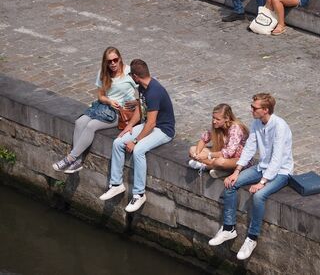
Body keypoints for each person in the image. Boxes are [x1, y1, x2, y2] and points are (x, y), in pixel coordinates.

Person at [208, 93, 293, 260]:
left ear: (265, 110)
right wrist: (237, 171)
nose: (251, 110)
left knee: (259, 196)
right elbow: (249, 149)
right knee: (231, 184)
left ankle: (252, 238)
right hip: (262, 167)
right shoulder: (256, 123)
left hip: (281, 171)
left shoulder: (280, 127)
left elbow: (277, 158)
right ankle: (229, 228)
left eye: (255, 108)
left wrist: (262, 182)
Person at [99, 59, 175, 213]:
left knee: (139, 150)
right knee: (118, 142)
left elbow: (152, 123)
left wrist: (134, 140)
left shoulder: (154, 91)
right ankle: (116, 184)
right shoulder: (142, 87)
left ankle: (139, 194)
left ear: (135, 76)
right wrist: (129, 127)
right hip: (150, 125)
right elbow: (141, 110)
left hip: (163, 130)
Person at [52, 47, 138, 174]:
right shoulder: (103, 73)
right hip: (104, 107)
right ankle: (78, 161)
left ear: (120, 59)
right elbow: (100, 96)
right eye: (109, 61)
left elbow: (145, 91)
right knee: (80, 122)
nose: (113, 63)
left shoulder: (130, 72)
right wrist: (109, 101)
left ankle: (70, 158)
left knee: (91, 126)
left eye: (115, 60)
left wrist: (136, 102)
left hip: (120, 113)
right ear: (105, 62)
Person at [188, 104, 249, 178]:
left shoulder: (236, 129)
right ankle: (219, 169)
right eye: (213, 118)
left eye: (218, 119)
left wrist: (208, 155)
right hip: (220, 154)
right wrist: (197, 154)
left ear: (226, 118)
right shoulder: (217, 127)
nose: (214, 121)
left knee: (219, 162)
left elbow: (228, 153)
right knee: (192, 150)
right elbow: (203, 139)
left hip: (238, 159)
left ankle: (205, 167)